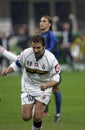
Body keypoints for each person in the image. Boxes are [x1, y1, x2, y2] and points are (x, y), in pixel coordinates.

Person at [1, 35, 61, 130]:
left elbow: (56, 78)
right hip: (28, 86)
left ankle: (38, 111)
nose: (35, 50)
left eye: (38, 48)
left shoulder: (51, 59)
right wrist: (7, 70)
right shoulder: (26, 53)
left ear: (44, 46)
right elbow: (17, 64)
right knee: (26, 117)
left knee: (37, 117)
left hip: (44, 88)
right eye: (33, 47)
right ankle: (35, 107)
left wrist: (47, 85)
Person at [39, 15, 62, 122]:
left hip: (52, 67)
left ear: (49, 24)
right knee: (40, 88)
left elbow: (54, 48)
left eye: (44, 21)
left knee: (55, 89)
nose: (41, 23)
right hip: (42, 67)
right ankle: (44, 110)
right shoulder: (40, 35)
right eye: (40, 21)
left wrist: (41, 51)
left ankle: (58, 114)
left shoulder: (51, 35)